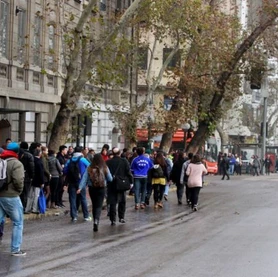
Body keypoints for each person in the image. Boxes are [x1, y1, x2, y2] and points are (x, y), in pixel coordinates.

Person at [0, 142, 25, 256]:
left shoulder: (1, 161)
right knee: (18, 223)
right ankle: (15, 249)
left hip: (0, 195)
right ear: (17, 152)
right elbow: (18, 181)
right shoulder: (16, 164)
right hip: (11, 196)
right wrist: (19, 191)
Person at [78, 154, 112, 232]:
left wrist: (80, 188)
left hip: (92, 188)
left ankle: (94, 220)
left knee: (94, 205)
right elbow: (110, 179)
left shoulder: (89, 167)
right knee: (99, 205)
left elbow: (84, 178)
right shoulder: (104, 167)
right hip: (102, 188)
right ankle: (97, 220)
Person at [63, 146, 91, 222]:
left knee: (72, 199)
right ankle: (86, 216)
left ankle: (74, 216)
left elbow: (65, 171)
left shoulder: (70, 160)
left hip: (72, 182)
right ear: (81, 152)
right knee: (83, 199)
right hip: (81, 182)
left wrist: (66, 183)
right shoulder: (83, 159)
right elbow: (91, 167)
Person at [106, 148, 133, 225]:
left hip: (111, 184)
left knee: (112, 202)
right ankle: (121, 217)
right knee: (122, 201)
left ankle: (113, 219)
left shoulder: (108, 162)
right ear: (119, 153)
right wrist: (131, 182)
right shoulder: (124, 161)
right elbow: (128, 172)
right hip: (122, 183)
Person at [25, 148, 44, 214]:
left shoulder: (31, 160)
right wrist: (42, 182)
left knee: (30, 195)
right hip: (38, 181)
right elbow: (41, 173)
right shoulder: (39, 162)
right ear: (39, 154)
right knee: (36, 195)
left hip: (31, 179)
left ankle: (27, 208)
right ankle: (34, 208)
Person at [18, 141, 35, 212]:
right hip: (27, 176)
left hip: (18, 175)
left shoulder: (18, 154)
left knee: (19, 193)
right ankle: (24, 207)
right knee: (25, 192)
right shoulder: (29, 155)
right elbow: (31, 167)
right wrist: (32, 176)